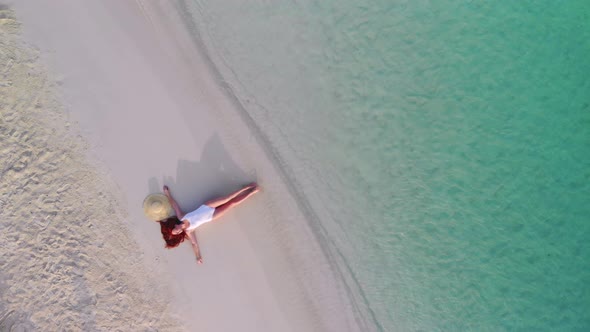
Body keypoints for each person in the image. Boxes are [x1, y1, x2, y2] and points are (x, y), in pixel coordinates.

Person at [158, 183, 260, 264]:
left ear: (175, 225)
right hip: (211, 216)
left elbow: (174, 205)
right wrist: (198, 257)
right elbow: (194, 244)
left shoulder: (181, 216)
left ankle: (246, 187)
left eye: (176, 230)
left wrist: (167, 194)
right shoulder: (189, 231)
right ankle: (251, 192)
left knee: (227, 198)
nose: (179, 231)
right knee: (231, 204)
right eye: (178, 233)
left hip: (206, 207)